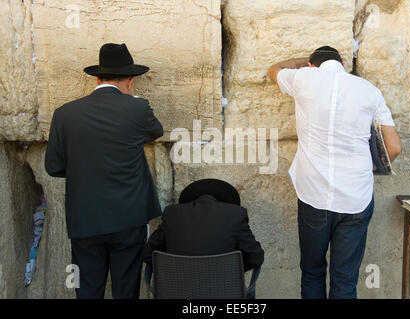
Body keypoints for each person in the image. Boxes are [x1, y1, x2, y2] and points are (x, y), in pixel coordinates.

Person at [267, 46, 402, 299]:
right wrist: (367, 170)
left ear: (311, 64)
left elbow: (273, 70)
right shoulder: (369, 90)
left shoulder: (303, 78)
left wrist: (300, 61)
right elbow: (393, 147)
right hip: (356, 198)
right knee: (345, 280)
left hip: (313, 195)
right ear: (342, 62)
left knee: (312, 271)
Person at [45, 43, 164, 299]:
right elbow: (156, 131)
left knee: (87, 289)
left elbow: (53, 167)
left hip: (85, 220)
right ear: (131, 81)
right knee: (126, 290)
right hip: (129, 219)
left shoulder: (64, 114)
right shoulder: (137, 108)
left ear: (96, 78)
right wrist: (133, 101)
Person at [143, 179, 264, 275]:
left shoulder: (171, 214)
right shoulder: (236, 214)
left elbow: (148, 254)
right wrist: (231, 271)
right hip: (225, 291)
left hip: (175, 291)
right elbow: (255, 257)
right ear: (224, 202)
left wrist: (176, 266)